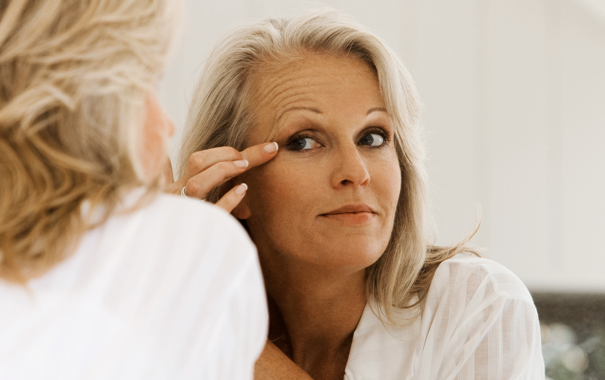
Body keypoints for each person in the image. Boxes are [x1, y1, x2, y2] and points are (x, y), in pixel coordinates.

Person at [0, 0, 267, 379]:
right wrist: (167, 236)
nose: (165, 126)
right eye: (146, 85)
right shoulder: (194, 244)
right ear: (86, 100)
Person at [173, 9, 545, 380]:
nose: (356, 172)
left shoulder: (477, 304)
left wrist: (225, 336)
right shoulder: (164, 326)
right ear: (229, 184)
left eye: (372, 137)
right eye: (303, 142)